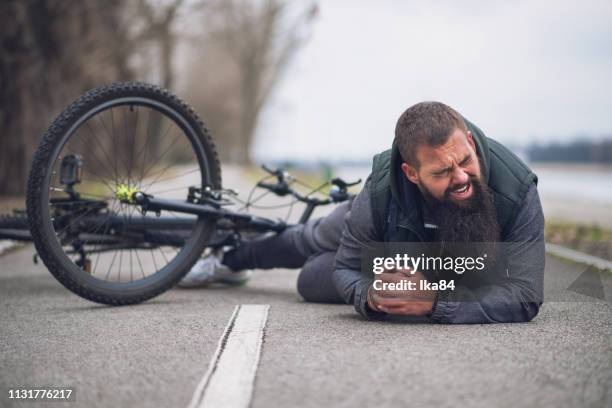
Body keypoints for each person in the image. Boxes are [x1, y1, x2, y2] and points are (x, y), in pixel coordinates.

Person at [179, 102, 545, 324]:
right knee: (309, 238)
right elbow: (347, 269)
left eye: (465, 160)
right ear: (412, 173)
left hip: (425, 265)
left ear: (467, 138)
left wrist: (435, 302)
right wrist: (371, 296)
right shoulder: (382, 187)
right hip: (388, 233)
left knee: (310, 280)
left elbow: (526, 296)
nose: (462, 177)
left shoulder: (517, 189)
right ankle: (232, 258)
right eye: (442, 172)